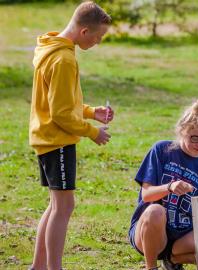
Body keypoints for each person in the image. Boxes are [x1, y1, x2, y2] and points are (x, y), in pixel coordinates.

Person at [28, 2, 113, 270]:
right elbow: (62, 114)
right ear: (85, 31)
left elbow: (60, 101)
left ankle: (38, 267)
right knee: (64, 207)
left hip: (47, 138)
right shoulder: (64, 59)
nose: (98, 42)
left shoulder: (51, 48)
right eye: (98, 37)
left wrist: (90, 112)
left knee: (56, 206)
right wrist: (92, 132)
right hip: (58, 139)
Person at [128, 97, 198, 270]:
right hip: (150, 234)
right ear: (183, 129)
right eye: (195, 138)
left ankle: (173, 260)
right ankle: (150, 267)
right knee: (155, 210)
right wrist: (170, 187)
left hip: (181, 239)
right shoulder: (162, 150)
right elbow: (146, 194)